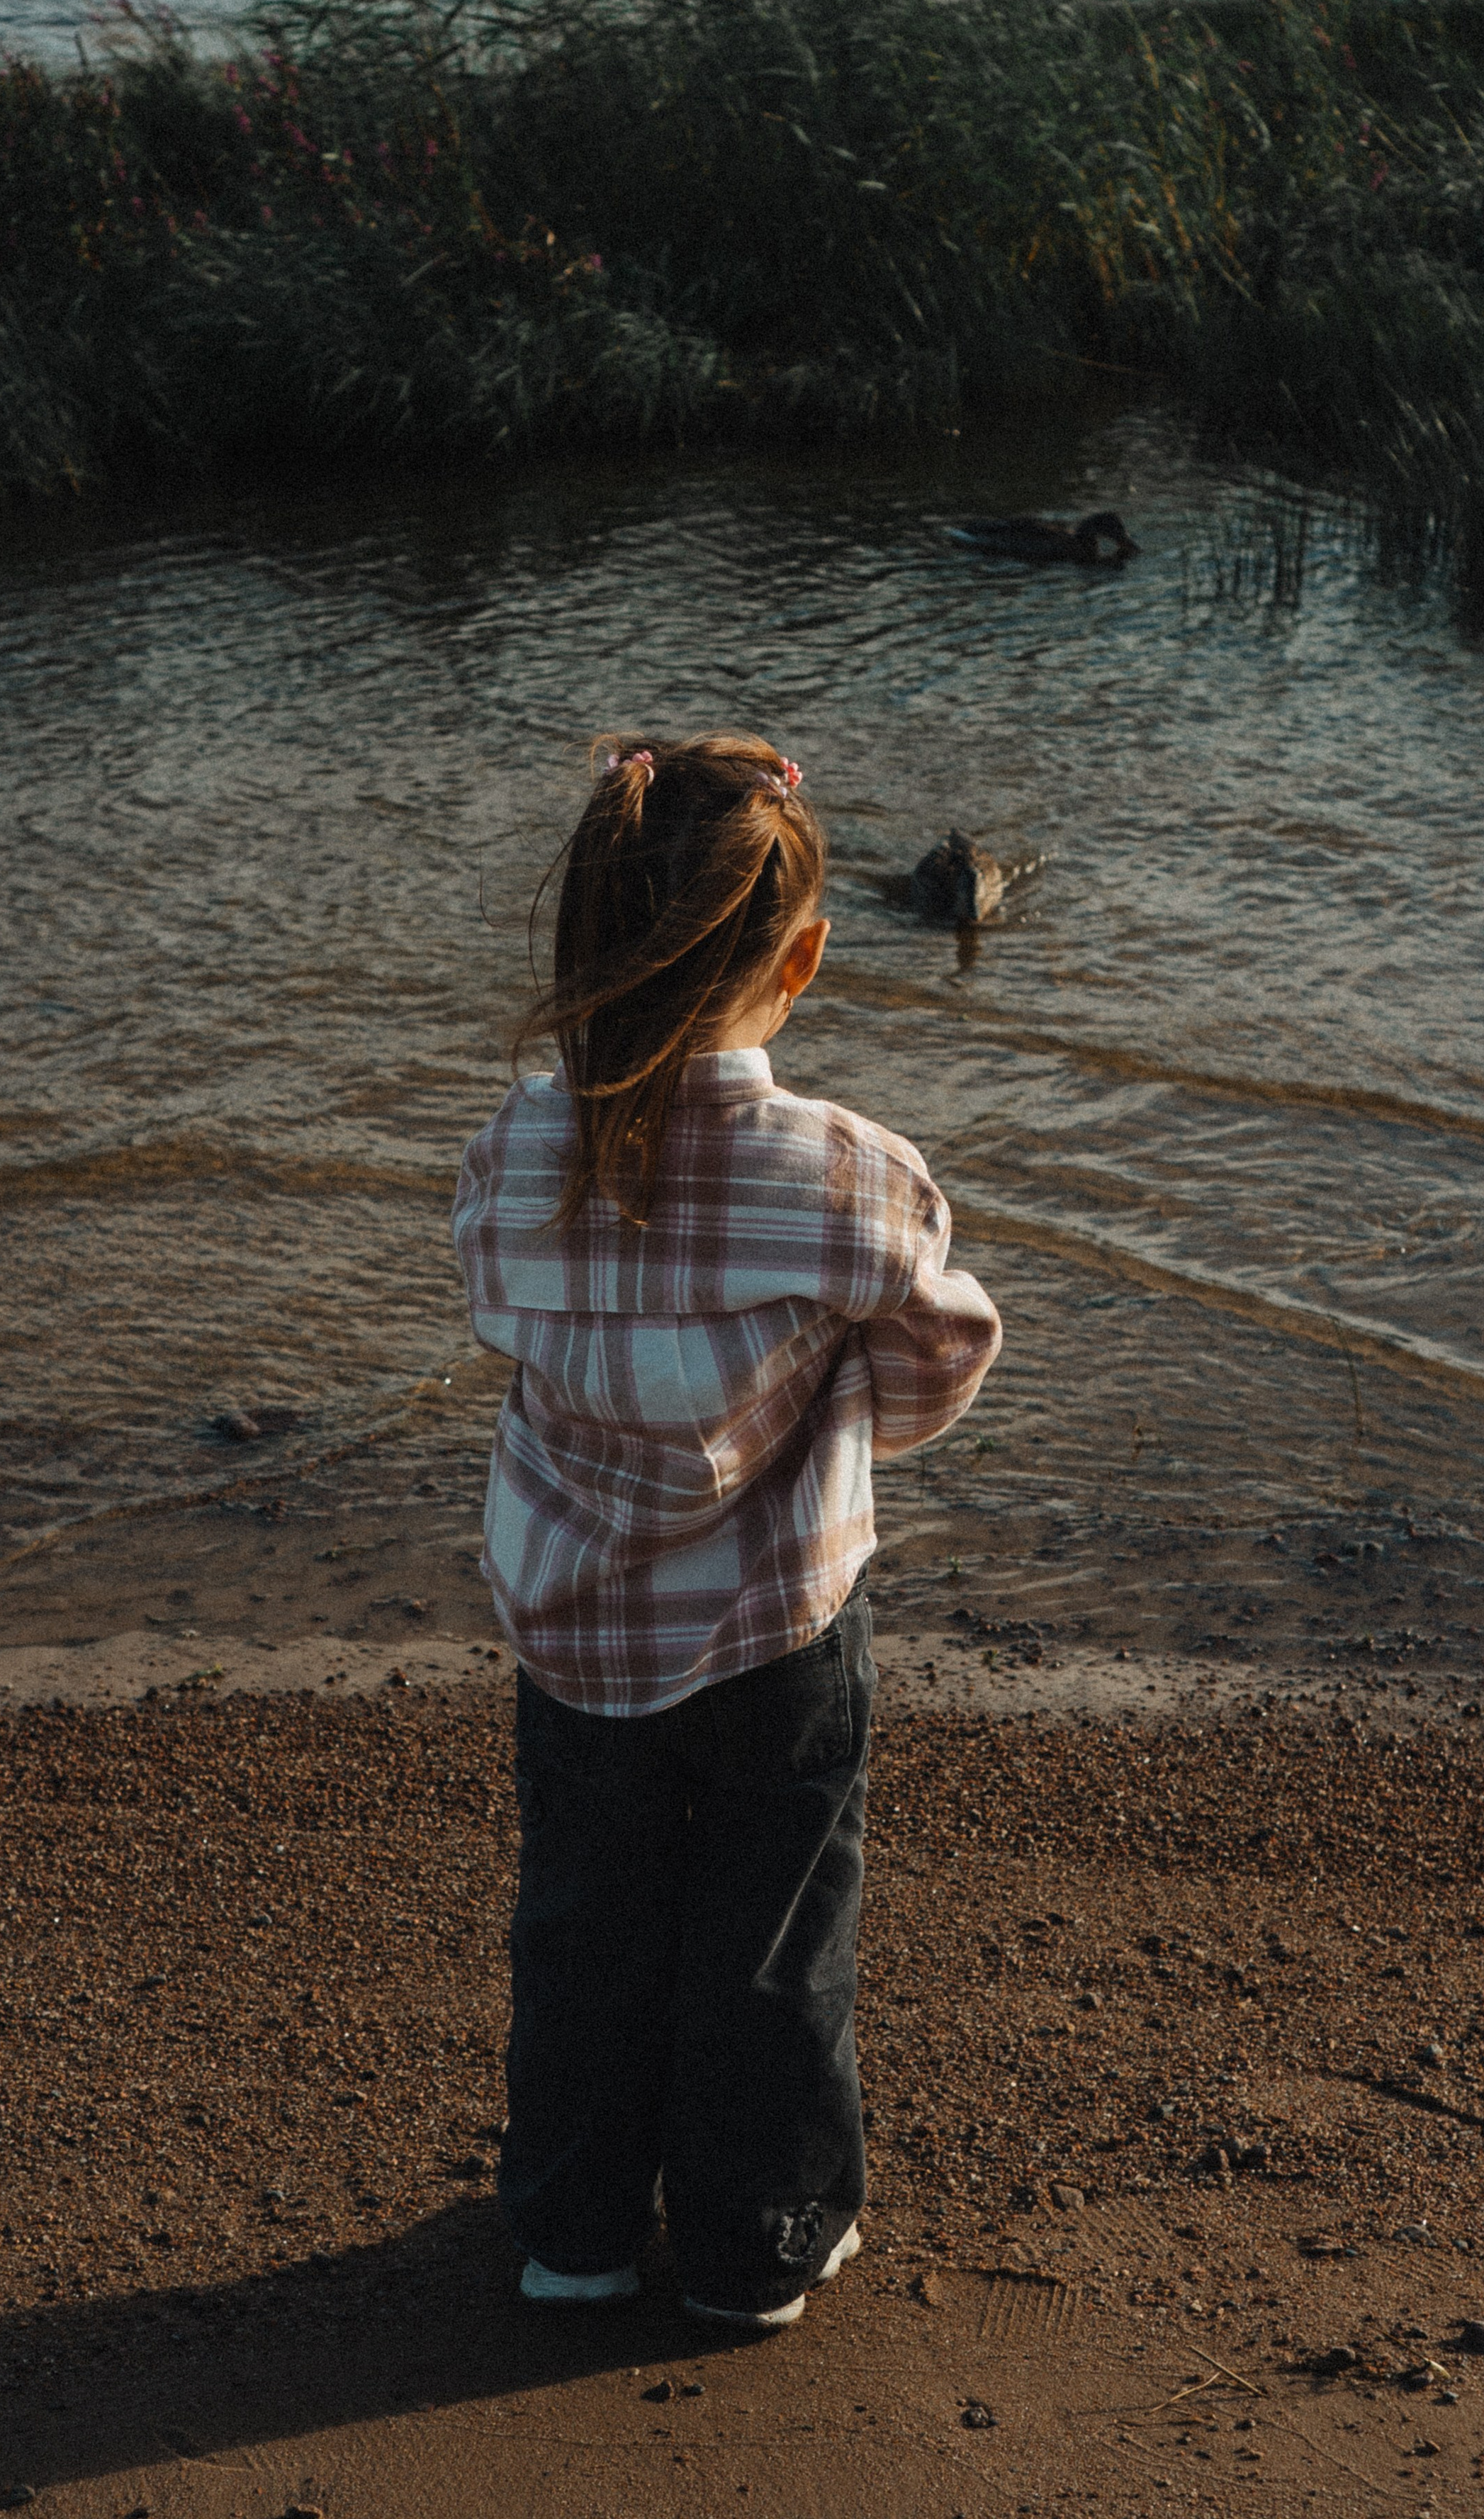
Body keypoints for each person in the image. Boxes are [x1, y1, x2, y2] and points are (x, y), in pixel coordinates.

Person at [452, 732, 1001, 2328]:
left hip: (572, 1628)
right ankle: (760, 2242)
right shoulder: (843, 1175)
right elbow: (941, 1350)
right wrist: (821, 1433)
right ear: (806, 957)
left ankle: (573, 2234)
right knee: (770, 1931)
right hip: (777, 1622)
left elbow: (502, 1311)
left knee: (582, 1924)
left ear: (580, 951)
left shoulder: (511, 1160)